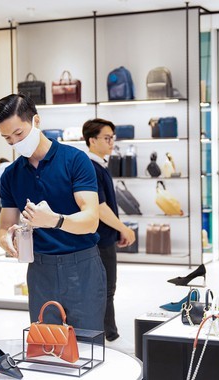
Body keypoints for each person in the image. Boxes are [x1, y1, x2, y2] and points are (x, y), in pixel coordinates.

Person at [0, 94, 106, 330]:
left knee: (87, 344)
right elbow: (5, 226)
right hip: (40, 269)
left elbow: (91, 220)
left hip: (82, 265)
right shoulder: (11, 175)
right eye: (7, 138)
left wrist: (55, 220)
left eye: (19, 133)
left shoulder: (75, 160)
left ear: (36, 121)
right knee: (46, 347)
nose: (14, 142)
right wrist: (6, 240)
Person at [82, 118, 136, 345]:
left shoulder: (99, 165)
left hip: (104, 237)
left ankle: (107, 332)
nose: (111, 142)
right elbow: (100, 207)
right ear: (91, 140)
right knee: (105, 287)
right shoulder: (92, 168)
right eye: (106, 138)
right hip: (99, 239)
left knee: (105, 287)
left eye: (112, 137)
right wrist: (123, 228)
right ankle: (106, 334)